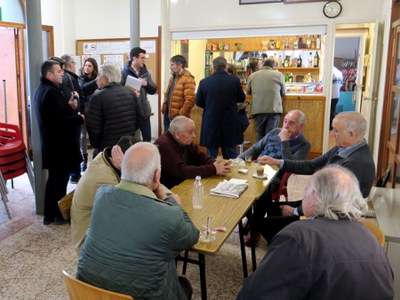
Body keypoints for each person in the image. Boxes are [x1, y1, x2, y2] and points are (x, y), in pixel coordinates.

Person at [237, 165, 394, 300]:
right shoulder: (369, 237)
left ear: (316, 196)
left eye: (305, 192)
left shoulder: (298, 237)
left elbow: (255, 295)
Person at [76, 142, 199, 300]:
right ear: (157, 175)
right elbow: (192, 236)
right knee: (183, 284)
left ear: (123, 170)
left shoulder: (102, 195)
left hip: (86, 292)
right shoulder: (167, 215)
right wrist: (171, 201)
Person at [259, 111, 375, 243]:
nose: (332, 134)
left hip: (332, 219)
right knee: (271, 208)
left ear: (351, 134)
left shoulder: (356, 163)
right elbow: (312, 165)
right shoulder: (342, 148)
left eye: (335, 130)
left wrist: (296, 211)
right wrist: (278, 162)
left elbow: (331, 204)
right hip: (322, 202)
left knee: (266, 224)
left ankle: (293, 250)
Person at [238, 110, 311, 245]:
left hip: (275, 177)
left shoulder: (304, 145)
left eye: (291, 123)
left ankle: (254, 229)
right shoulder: (273, 132)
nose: (286, 126)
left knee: (261, 190)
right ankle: (248, 218)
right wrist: (237, 161)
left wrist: (284, 141)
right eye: (285, 121)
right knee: (238, 182)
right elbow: (255, 149)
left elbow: (290, 166)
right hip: (256, 169)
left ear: (301, 127)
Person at [33, 59, 84, 225]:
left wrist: (69, 107)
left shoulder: (43, 89)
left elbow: (56, 115)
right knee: (59, 181)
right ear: (49, 74)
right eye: (58, 71)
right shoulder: (51, 92)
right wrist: (78, 118)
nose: (62, 73)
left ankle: (50, 214)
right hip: (59, 146)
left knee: (55, 179)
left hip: (53, 144)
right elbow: (60, 122)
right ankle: (59, 215)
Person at [70, 135, 138, 253]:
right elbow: (131, 209)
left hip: (102, 230)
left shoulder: (106, 159)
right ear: (120, 158)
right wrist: (128, 173)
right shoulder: (104, 178)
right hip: (90, 245)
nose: (137, 169)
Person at [155, 116, 232, 189]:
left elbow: (201, 157)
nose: (194, 136)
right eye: (190, 132)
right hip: (169, 190)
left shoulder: (185, 141)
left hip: (184, 184)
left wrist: (217, 164)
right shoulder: (164, 144)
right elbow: (181, 172)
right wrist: (213, 169)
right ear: (177, 134)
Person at [86, 64, 144, 157]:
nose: (96, 79)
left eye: (98, 76)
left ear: (105, 79)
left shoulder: (98, 97)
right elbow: (141, 116)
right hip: (127, 143)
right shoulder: (130, 93)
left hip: (107, 147)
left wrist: (96, 145)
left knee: (109, 170)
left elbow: (93, 126)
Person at [195, 56, 246, 159]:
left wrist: (210, 106)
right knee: (231, 154)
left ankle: (212, 173)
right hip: (230, 122)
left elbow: (198, 102)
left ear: (213, 67)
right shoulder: (234, 81)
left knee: (211, 156)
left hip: (211, 121)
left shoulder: (204, 82)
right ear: (226, 66)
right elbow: (242, 98)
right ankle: (233, 174)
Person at [121, 47, 157, 141]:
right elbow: (119, 91)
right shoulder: (124, 73)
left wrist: (146, 84)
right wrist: (130, 93)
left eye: (144, 58)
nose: (144, 60)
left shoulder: (145, 73)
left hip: (144, 112)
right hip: (130, 113)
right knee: (129, 141)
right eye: (142, 58)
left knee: (147, 140)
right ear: (134, 58)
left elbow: (153, 90)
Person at [246, 58, 286, 141]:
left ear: (262, 66)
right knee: (271, 135)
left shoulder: (252, 76)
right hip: (273, 109)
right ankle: (269, 153)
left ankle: (260, 153)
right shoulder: (279, 74)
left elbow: (248, 92)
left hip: (258, 110)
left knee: (260, 135)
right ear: (273, 66)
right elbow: (284, 92)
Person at [60, 54, 83, 184]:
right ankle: (75, 174)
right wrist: (79, 113)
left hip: (73, 117)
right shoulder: (69, 78)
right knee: (75, 145)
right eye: (74, 63)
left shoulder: (67, 77)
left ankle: (74, 173)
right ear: (70, 65)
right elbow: (75, 98)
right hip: (74, 118)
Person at [162, 55, 196, 131]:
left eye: (172, 65)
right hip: (168, 115)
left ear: (180, 65)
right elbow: (168, 95)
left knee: (178, 140)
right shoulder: (172, 78)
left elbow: (190, 100)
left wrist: (180, 115)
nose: (170, 67)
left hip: (178, 117)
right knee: (168, 139)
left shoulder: (188, 79)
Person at [78, 57, 99, 171]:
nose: (86, 67)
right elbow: (81, 90)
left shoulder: (98, 79)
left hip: (94, 109)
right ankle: (84, 160)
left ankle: (95, 158)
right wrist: (93, 95)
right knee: (82, 135)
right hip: (83, 108)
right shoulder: (80, 78)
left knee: (94, 133)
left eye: (89, 66)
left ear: (94, 68)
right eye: (85, 65)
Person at [228, 63, 249, 132]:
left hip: (235, 118)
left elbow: (241, 100)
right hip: (237, 118)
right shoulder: (235, 82)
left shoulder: (234, 83)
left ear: (230, 73)